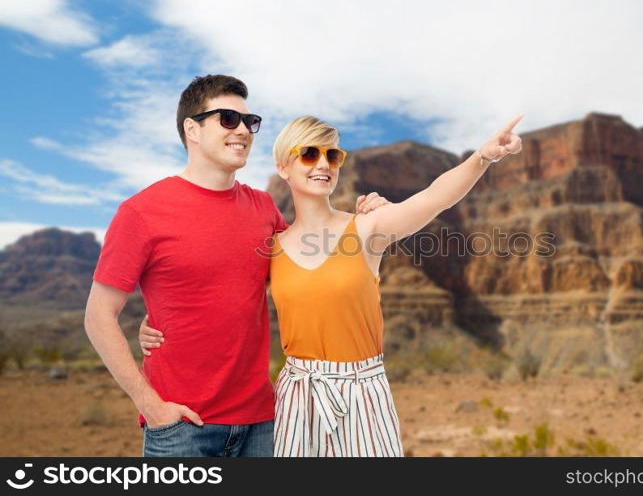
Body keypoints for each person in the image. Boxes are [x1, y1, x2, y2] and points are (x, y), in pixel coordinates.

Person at [143, 113, 523, 456]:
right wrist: (156, 323)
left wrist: (483, 157)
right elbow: (218, 297)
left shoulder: (368, 228)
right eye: (309, 154)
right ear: (283, 167)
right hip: (297, 396)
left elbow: (434, 197)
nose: (323, 164)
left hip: (364, 394)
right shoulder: (272, 247)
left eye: (333, 156)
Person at [84, 75, 389, 458]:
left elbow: (313, 264)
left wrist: (361, 219)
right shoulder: (141, 212)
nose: (243, 130)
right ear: (191, 129)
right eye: (228, 119)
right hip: (182, 429)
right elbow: (98, 317)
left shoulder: (263, 208)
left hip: (263, 424)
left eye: (250, 121)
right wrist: (152, 406)